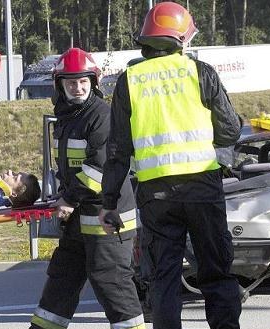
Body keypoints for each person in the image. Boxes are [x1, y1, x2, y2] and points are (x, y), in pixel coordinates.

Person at [99, 2, 243, 329]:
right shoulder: (200, 72)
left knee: (164, 278)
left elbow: (118, 149)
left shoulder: (129, 81)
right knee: (216, 273)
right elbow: (231, 131)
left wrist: (109, 204)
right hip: (203, 188)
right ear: (180, 39)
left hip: (155, 195)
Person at [29, 48, 144, 329]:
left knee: (111, 282)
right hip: (80, 217)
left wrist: (68, 197)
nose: (77, 87)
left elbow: (101, 167)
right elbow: (69, 165)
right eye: (70, 82)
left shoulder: (101, 115)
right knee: (62, 280)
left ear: (93, 82)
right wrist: (61, 193)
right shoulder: (69, 116)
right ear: (60, 84)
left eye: (83, 81)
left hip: (107, 216)